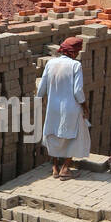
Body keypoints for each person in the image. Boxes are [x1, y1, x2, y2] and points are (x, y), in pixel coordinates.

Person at [36, 36, 91, 180]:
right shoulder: (75, 65)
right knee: (74, 136)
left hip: (52, 107)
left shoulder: (51, 63)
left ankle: (54, 168)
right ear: (72, 52)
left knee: (53, 135)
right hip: (70, 108)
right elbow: (78, 91)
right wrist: (84, 106)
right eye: (77, 52)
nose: (77, 55)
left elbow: (42, 87)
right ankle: (65, 168)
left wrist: (39, 100)